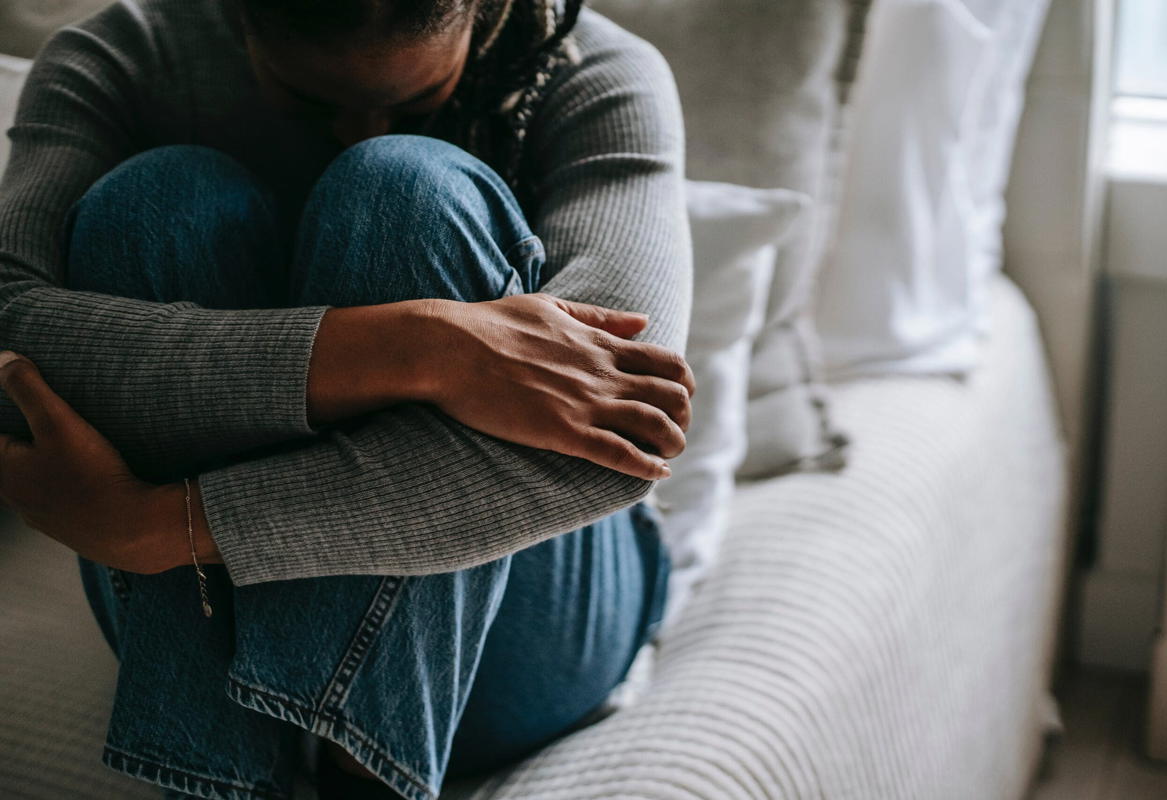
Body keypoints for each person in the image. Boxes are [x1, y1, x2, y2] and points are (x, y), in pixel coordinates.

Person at [0, 0, 692, 797]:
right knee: (156, 204)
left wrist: (161, 527)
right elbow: (10, 334)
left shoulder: (595, 74)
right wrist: (426, 346)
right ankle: (224, 772)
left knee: (404, 188)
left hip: (519, 621)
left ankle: (365, 776)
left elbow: (626, 444)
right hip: (205, 609)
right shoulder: (123, 55)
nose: (358, 129)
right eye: (310, 103)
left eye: (418, 101)